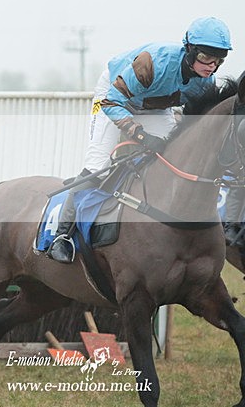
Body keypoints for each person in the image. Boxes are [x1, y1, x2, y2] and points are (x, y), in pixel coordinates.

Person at [47, 16, 233, 263]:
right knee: (98, 166)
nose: (211, 66)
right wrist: (141, 134)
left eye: (218, 60)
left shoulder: (204, 80)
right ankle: (62, 235)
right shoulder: (153, 63)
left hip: (154, 106)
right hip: (114, 97)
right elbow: (112, 102)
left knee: (171, 158)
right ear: (189, 50)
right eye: (205, 58)